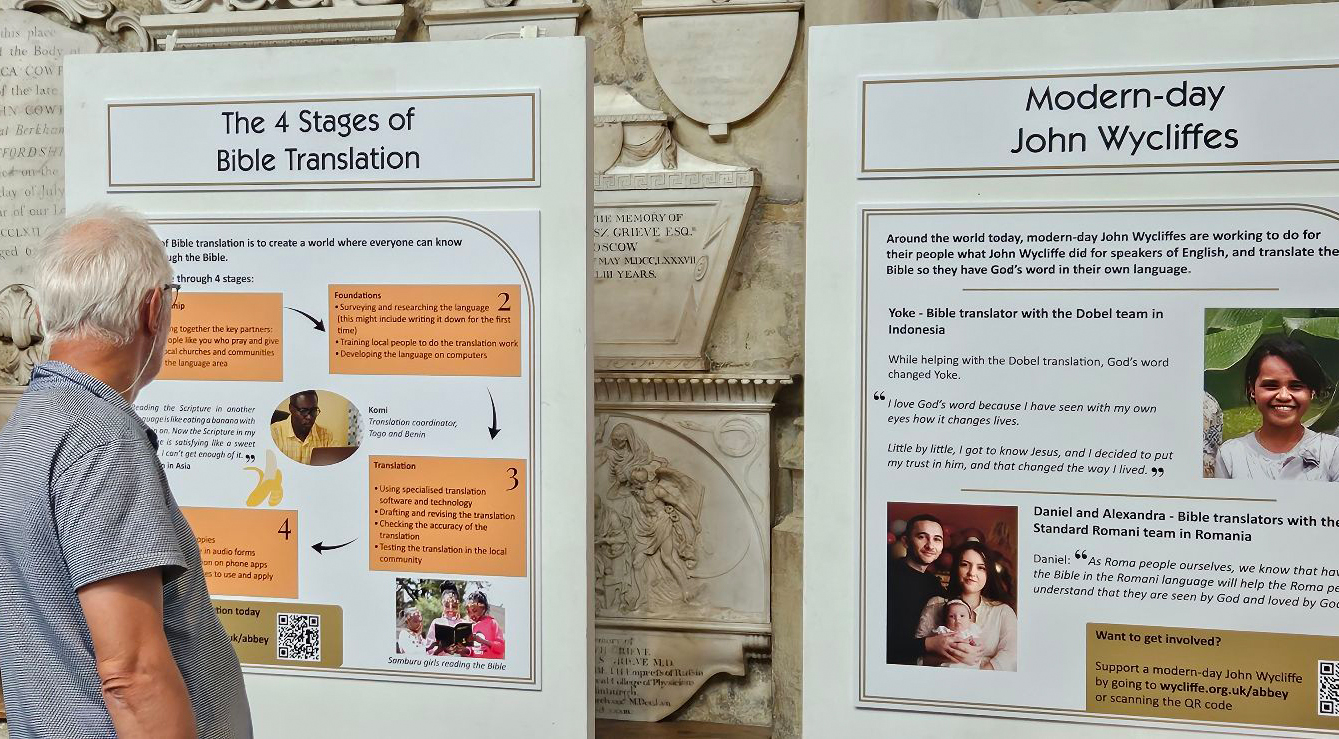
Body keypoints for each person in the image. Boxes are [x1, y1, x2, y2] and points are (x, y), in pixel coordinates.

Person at [0, 205, 253, 738]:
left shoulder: (29, 423)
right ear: (152, 309)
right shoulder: (101, 439)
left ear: (47, 317)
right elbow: (131, 673)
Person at [1215, 336, 1339, 481]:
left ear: (1311, 391)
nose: (1284, 396)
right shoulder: (1230, 456)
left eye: (1296, 386)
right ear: (1252, 389)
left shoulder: (1332, 453)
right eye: (1271, 386)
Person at [886, 514, 979, 666]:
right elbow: (877, 643)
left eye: (937, 539)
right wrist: (929, 644)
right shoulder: (888, 576)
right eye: (922, 537)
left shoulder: (934, 584)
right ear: (906, 542)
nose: (930, 545)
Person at [916, 541, 1018, 671]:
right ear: (956, 568)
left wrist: (977, 678)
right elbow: (918, 656)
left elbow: (1012, 655)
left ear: (988, 573)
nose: (971, 573)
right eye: (965, 565)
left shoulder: (1002, 611)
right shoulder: (936, 604)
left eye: (981, 567)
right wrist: (949, 656)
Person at [271, 389, 335, 465]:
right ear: (291, 409)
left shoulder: (326, 436)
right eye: (303, 411)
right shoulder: (274, 433)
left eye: (314, 411)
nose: (309, 417)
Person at [930, 599, 982, 670]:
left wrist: (973, 643)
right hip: (948, 666)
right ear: (945, 621)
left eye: (962, 615)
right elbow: (938, 646)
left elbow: (978, 647)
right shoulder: (944, 632)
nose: (957, 619)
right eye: (951, 616)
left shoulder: (970, 632)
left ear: (970, 619)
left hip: (969, 667)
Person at [464, 591, 505, 659]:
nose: (472, 615)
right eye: (469, 612)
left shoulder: (492, 623)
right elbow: (470, 651)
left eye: (474, 611)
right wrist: (464, 650)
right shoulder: (469, 626)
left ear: (483, 608)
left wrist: (483, 641)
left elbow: (501, 648)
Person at [425, 586, 465, 655]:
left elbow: (470, 650)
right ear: (442, 606)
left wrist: (462, 649)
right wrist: (441, 649)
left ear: (458, 606)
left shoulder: (464, 623)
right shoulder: (436, 623)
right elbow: (428, 650)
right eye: (447, 606)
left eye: (454, 606)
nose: (450, 609)